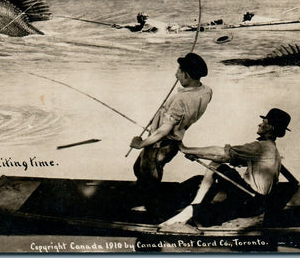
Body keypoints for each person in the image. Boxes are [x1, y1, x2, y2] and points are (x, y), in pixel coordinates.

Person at [159, 108, 291, 228]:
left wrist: (185, 148)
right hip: (256, 199)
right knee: (215, 164)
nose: (259, 124)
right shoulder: (271, 149)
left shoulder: (260, 147)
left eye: (264, 122)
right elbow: (226, 158)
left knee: (215, 167)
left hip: (250, 199)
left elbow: (220, 151)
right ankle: (195, 205)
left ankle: (193, 205)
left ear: (271, 128)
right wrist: (195, 154)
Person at [130, 53, 213, 207]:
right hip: (174, 142)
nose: (176, 75)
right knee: (140, 169)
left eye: (179, 72)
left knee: (149, 176)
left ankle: (148, 209)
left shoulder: (179, 100)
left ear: (187, 76)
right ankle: (145, 199)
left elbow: (164, 131)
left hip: (160, 144)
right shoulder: (207, 91)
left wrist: (141, 144)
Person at [112, 13, 207, 33]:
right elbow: (127, 25)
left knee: (183, 26)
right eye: (145, 16)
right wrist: (119, 26)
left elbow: (127, 26)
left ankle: (198, 27)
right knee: (184, 27)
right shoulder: (140, 24)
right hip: (168, 27)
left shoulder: (145, 22)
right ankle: (197, 28)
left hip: (167, 27)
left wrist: (120, 26)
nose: (147, 17)